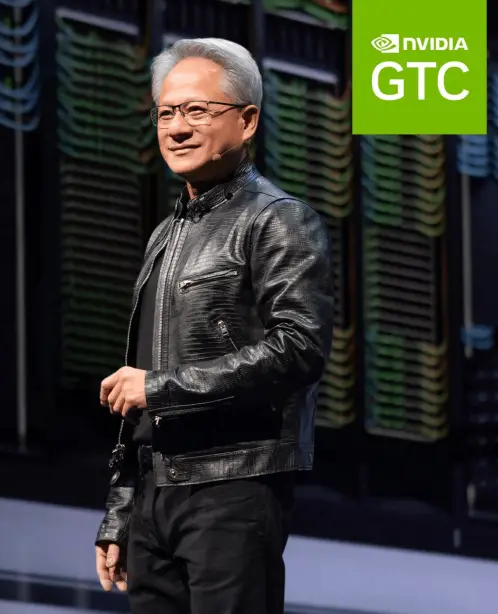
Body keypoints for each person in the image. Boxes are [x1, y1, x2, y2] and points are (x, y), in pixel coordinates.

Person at [93, 38, 335, 614]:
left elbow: (300, 348)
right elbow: (139, 389)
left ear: (247, 121)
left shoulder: (278, 219)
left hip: (233, 489)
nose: (177, 128)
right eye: (166, 113)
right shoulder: (164, 235)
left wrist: (160, 387)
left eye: (197, 111)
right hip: (155, 497)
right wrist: (121, 512)